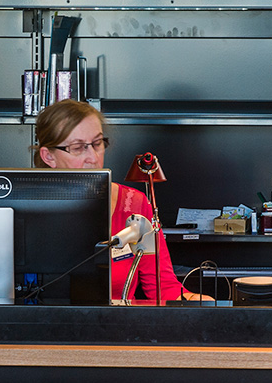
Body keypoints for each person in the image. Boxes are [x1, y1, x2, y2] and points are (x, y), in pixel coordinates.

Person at [33, 99, 210, 303]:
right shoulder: (25, 209)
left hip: (116, 321)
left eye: (97, 144)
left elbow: (162, 286)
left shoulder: (134, 204)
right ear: (49, 157)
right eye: (78, 147)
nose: (93, 157)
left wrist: (198, 302)